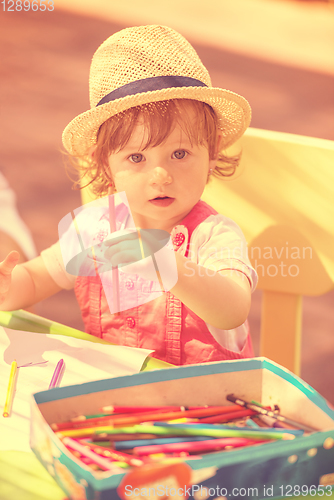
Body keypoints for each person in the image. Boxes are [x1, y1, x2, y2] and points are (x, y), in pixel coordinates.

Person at [0, 25, 257, 366]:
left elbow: (232, 309)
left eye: (179, 154)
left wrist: (169, 265)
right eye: (136, 158)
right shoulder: (95, 229)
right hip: (119, 402)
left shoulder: (214, 236)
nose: (160, 176)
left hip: (202, 410)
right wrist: (8, 286)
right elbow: (34, 280)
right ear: (106, 166)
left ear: (210, 155)